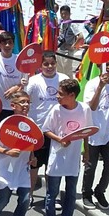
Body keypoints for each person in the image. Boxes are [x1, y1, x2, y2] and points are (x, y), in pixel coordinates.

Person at [41, 78, 92, 216]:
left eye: (61, 94)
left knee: (71, 193)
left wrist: (87, 152)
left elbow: (86, 132)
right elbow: (46, 130)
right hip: (57, 158)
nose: (57, 96)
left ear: (71, 95)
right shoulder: (56, 110)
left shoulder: (84, 109)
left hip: (73, 159)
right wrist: (60, 140)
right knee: (52, 193)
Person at [26, 52, 68, 204]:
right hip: (38, 129)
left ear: (56, 63)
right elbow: (25, 100)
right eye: (46, 64)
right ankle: (29, 195)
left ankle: (52, 196)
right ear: (40, 65)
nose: (50, 67)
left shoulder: (63, 79)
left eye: (52, 63)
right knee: (35, 164)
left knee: (54, 166)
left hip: (57, 131)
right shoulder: (34, 81)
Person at [82, 61, 109, 209]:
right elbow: (91, 107)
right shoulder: (91, 84)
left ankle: (100, 191)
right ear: (99, 66)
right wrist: (100, 87)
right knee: (91, 166)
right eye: (106, 65)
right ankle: (86, 193)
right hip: (94, 131)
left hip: (108, 133)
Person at [56, 5, 84, 77]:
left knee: (67, 69)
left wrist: (73, 46)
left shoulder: (72, 24)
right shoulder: (60, 22)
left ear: (69, 14)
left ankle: (70, 84)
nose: (63, 15)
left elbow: (80, 36)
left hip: (67, 51)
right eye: (62, 13)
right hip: (59, 49)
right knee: (59, 69)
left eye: (65, 13)